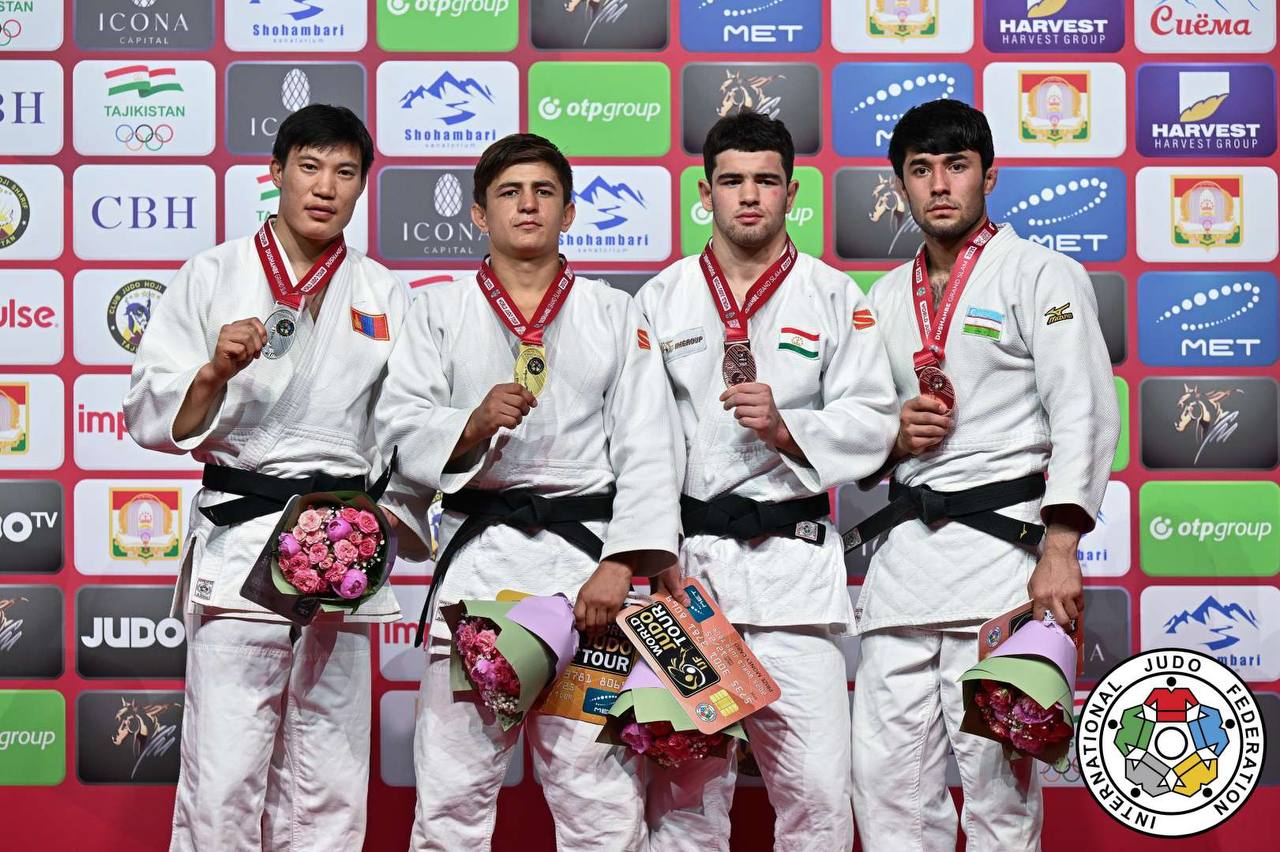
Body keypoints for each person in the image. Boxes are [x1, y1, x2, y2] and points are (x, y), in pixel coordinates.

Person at [124, 104, 431, 850]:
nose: (325, 187)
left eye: (345, 172)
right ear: (276, 173)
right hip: (243, 539)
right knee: (224, 768)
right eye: (310, 167)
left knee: (330, 772)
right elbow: (149, 411)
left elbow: (407, 425)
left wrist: (385, 522)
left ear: (363, 186)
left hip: (344, 549)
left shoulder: (383, 292)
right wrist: (213, 372)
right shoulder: (213, 274)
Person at [375, 133, 683, 852]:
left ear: (569, 213)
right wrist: (471, 423)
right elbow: (399, 427)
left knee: (597, 796)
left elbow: (649, 446)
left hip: (587, 582)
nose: (528, 206)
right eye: (509, 193)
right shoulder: (437, 310)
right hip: (478, 578)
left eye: (544, 192)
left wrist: (622, 563)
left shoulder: (614, 312)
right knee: (452, 793)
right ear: (478, 214)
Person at [849, 99, 1120, 852]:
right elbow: (862, 434)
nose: (939, 185)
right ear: (900, 185)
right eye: (921, 170)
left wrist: (1060, 549)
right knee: (886, 791)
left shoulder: (1041, 274)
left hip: (1005, 561)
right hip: (903, 568)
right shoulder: (882, 299)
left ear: (989, 176)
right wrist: (893, 439)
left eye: (957, 166)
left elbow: (1084, 411)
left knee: (998, 797)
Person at [634, 111, 899, 852]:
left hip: (795, 580)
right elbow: (643, 440)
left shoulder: (834, 295)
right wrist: (655, 553)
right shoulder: (662, 298)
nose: (749, 196)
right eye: (732, 181)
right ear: (705, 193)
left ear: (792, 192)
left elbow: (875, 420)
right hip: (690, 581)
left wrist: (789, 429)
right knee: (685, 796)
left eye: (765, 181)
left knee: (817, 797)